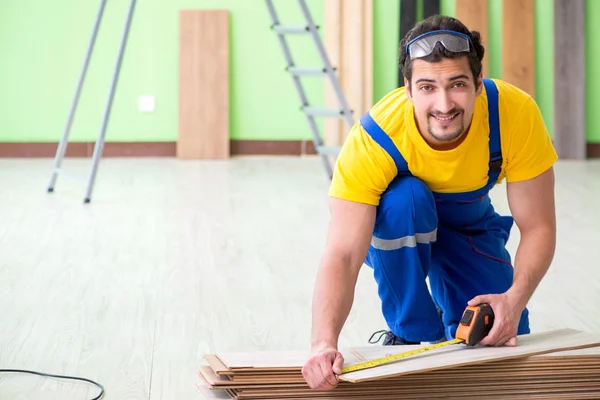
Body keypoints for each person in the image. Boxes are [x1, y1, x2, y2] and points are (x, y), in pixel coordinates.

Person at [301, 14, 557, 391]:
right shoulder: (375, 137)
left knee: (501, 336)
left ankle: (454, 305)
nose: (443, 103)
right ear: (407, 89)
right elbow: (341, 253)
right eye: (426, 87)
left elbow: (539, 227)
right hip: (400, 226)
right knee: (405, 200)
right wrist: (323, 343)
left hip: (468, 225)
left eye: (457, 84)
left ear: (478, 86)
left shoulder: (514, 114)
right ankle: (411, 330)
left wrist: (513, 300)